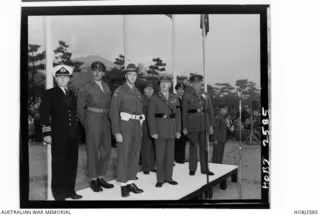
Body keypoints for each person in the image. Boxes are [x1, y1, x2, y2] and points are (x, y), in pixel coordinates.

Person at [39, 65, 82, 200]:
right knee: (59, 165)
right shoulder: (50, 93)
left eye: (65, 77)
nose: (63, 79)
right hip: (58, 135)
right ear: (56, 78)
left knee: (72, 164)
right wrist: (46, 133)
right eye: (60, 77)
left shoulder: (72, 94)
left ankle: (70, 190)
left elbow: (74, 115)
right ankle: (59, 194)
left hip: (72, 136)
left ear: (69, 79)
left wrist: (78, 133)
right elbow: (44, 114)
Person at [77, 61, 114, 192]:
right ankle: (93, 179)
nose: (97, 73)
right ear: (92, 72)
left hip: (106, 120)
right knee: (92, 150)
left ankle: (101, 176)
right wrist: (86, 123)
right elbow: (80, 108)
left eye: (100, 71)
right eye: (95, 71)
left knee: (106, 150)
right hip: (92, 118)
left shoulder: (106, 86)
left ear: (103, 73)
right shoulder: (85, 87)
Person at [109, 63, 144, 197]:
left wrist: (141, 125)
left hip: (136, 124)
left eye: (135, 75)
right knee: (124, 154)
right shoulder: (120, 91)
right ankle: (123, 184)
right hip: (125, 125)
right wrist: (116, 132)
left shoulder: (137, 92)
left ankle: (131, 181)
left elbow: (140, 110)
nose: (132, 77)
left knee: (135, 154)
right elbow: (113, 112)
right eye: (130, 74)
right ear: (126, 76)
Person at [147, 73, 181, 188]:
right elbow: (150, 116)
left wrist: (178, 130)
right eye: (162, 83)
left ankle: (169, 178)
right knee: (160, 156)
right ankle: (160, 179)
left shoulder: (174, 98)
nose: (164, 85)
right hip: (159, 130)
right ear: (159, 84)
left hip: (171, 130)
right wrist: (153, 131)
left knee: (170, 156)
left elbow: (178, 115)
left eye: (166, 83)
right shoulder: (154, 98)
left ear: (170, 84)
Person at [182, 74, 214, 176]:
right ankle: (192, 168)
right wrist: (184, 127)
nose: (197, 85)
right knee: (193, 148)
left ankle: (205, 169)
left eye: (198, 82)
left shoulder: (206, 96)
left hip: (204, 124)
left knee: (204, 148)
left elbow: (210, 111)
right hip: (192, 125)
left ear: (201, 83)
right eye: (194, 83)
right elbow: (184, 113)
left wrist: (211, 125)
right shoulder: (187, 95)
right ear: (191, 84)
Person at [141, 81, 157, 175]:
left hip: (154, 126)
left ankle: (152, 165)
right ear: (144, 90)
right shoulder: (141, 99)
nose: (149, 91)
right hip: (144, 125)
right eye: (148, 89)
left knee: (153, 147)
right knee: (145, 147)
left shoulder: (155, 99)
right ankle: (145, 167)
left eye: (151, 89)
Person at [174, 83, 188, 164]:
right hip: (177, 123)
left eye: (182, 89)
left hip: (184, 123)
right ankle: (177, 158)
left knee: (183, 140)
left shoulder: (185, 99)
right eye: (179, 89)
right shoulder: (174, 99)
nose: (181, 91)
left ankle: (182, 157)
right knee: (177, 141)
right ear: (176, 90)